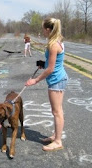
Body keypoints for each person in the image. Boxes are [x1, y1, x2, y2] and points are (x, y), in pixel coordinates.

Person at [25, 18, 68, 151]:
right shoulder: (57, 41)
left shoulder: (53, 44)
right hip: (59, 78)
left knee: (57, 112)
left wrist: (35, 80)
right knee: (57, 110)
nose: (42, 31)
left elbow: (51, 69)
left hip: (56, 80)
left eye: (44, 29)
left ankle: (58, 141)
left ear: (48, 30)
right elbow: (53, 63)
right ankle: (56, 135)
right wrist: (43, 64)